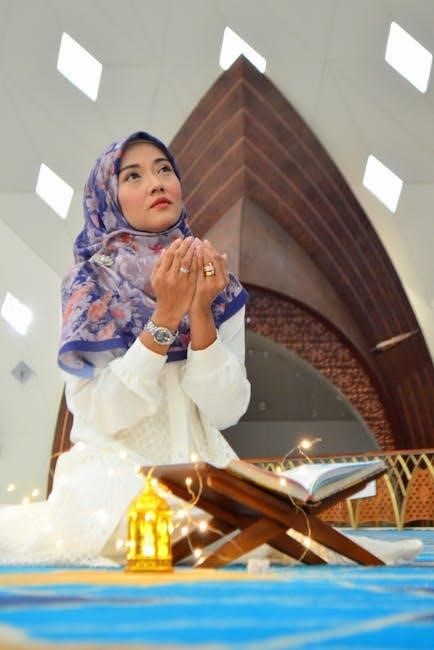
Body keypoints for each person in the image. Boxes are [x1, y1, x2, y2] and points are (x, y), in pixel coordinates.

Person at [0, 131, 422, 567]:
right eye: (134, 176)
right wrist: (166, 317)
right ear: (107, 199)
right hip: (116, 478)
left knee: (251, 527)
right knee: (223, 532)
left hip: (206, 477)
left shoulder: (217, 284)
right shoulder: (90, 284)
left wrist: (200, 313)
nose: (156, 183)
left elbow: (225, 410)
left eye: (164, 170)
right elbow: (101, 411)